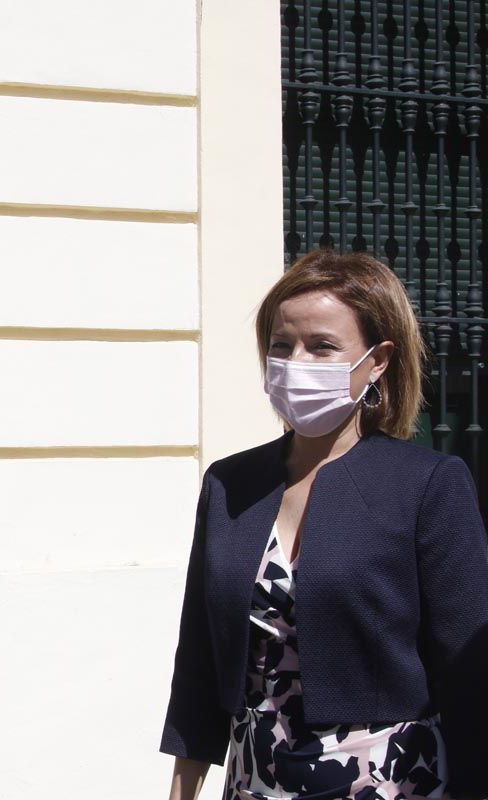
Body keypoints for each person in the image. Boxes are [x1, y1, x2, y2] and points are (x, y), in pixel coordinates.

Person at [161, 250, 488, 800]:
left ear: (378, 360)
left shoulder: (427, 483)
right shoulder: (229, 484)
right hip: (255, 780)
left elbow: (469, 671)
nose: (296, 361)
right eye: (282, 345)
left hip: (388, 781)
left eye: (323, 345)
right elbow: (198, 662)